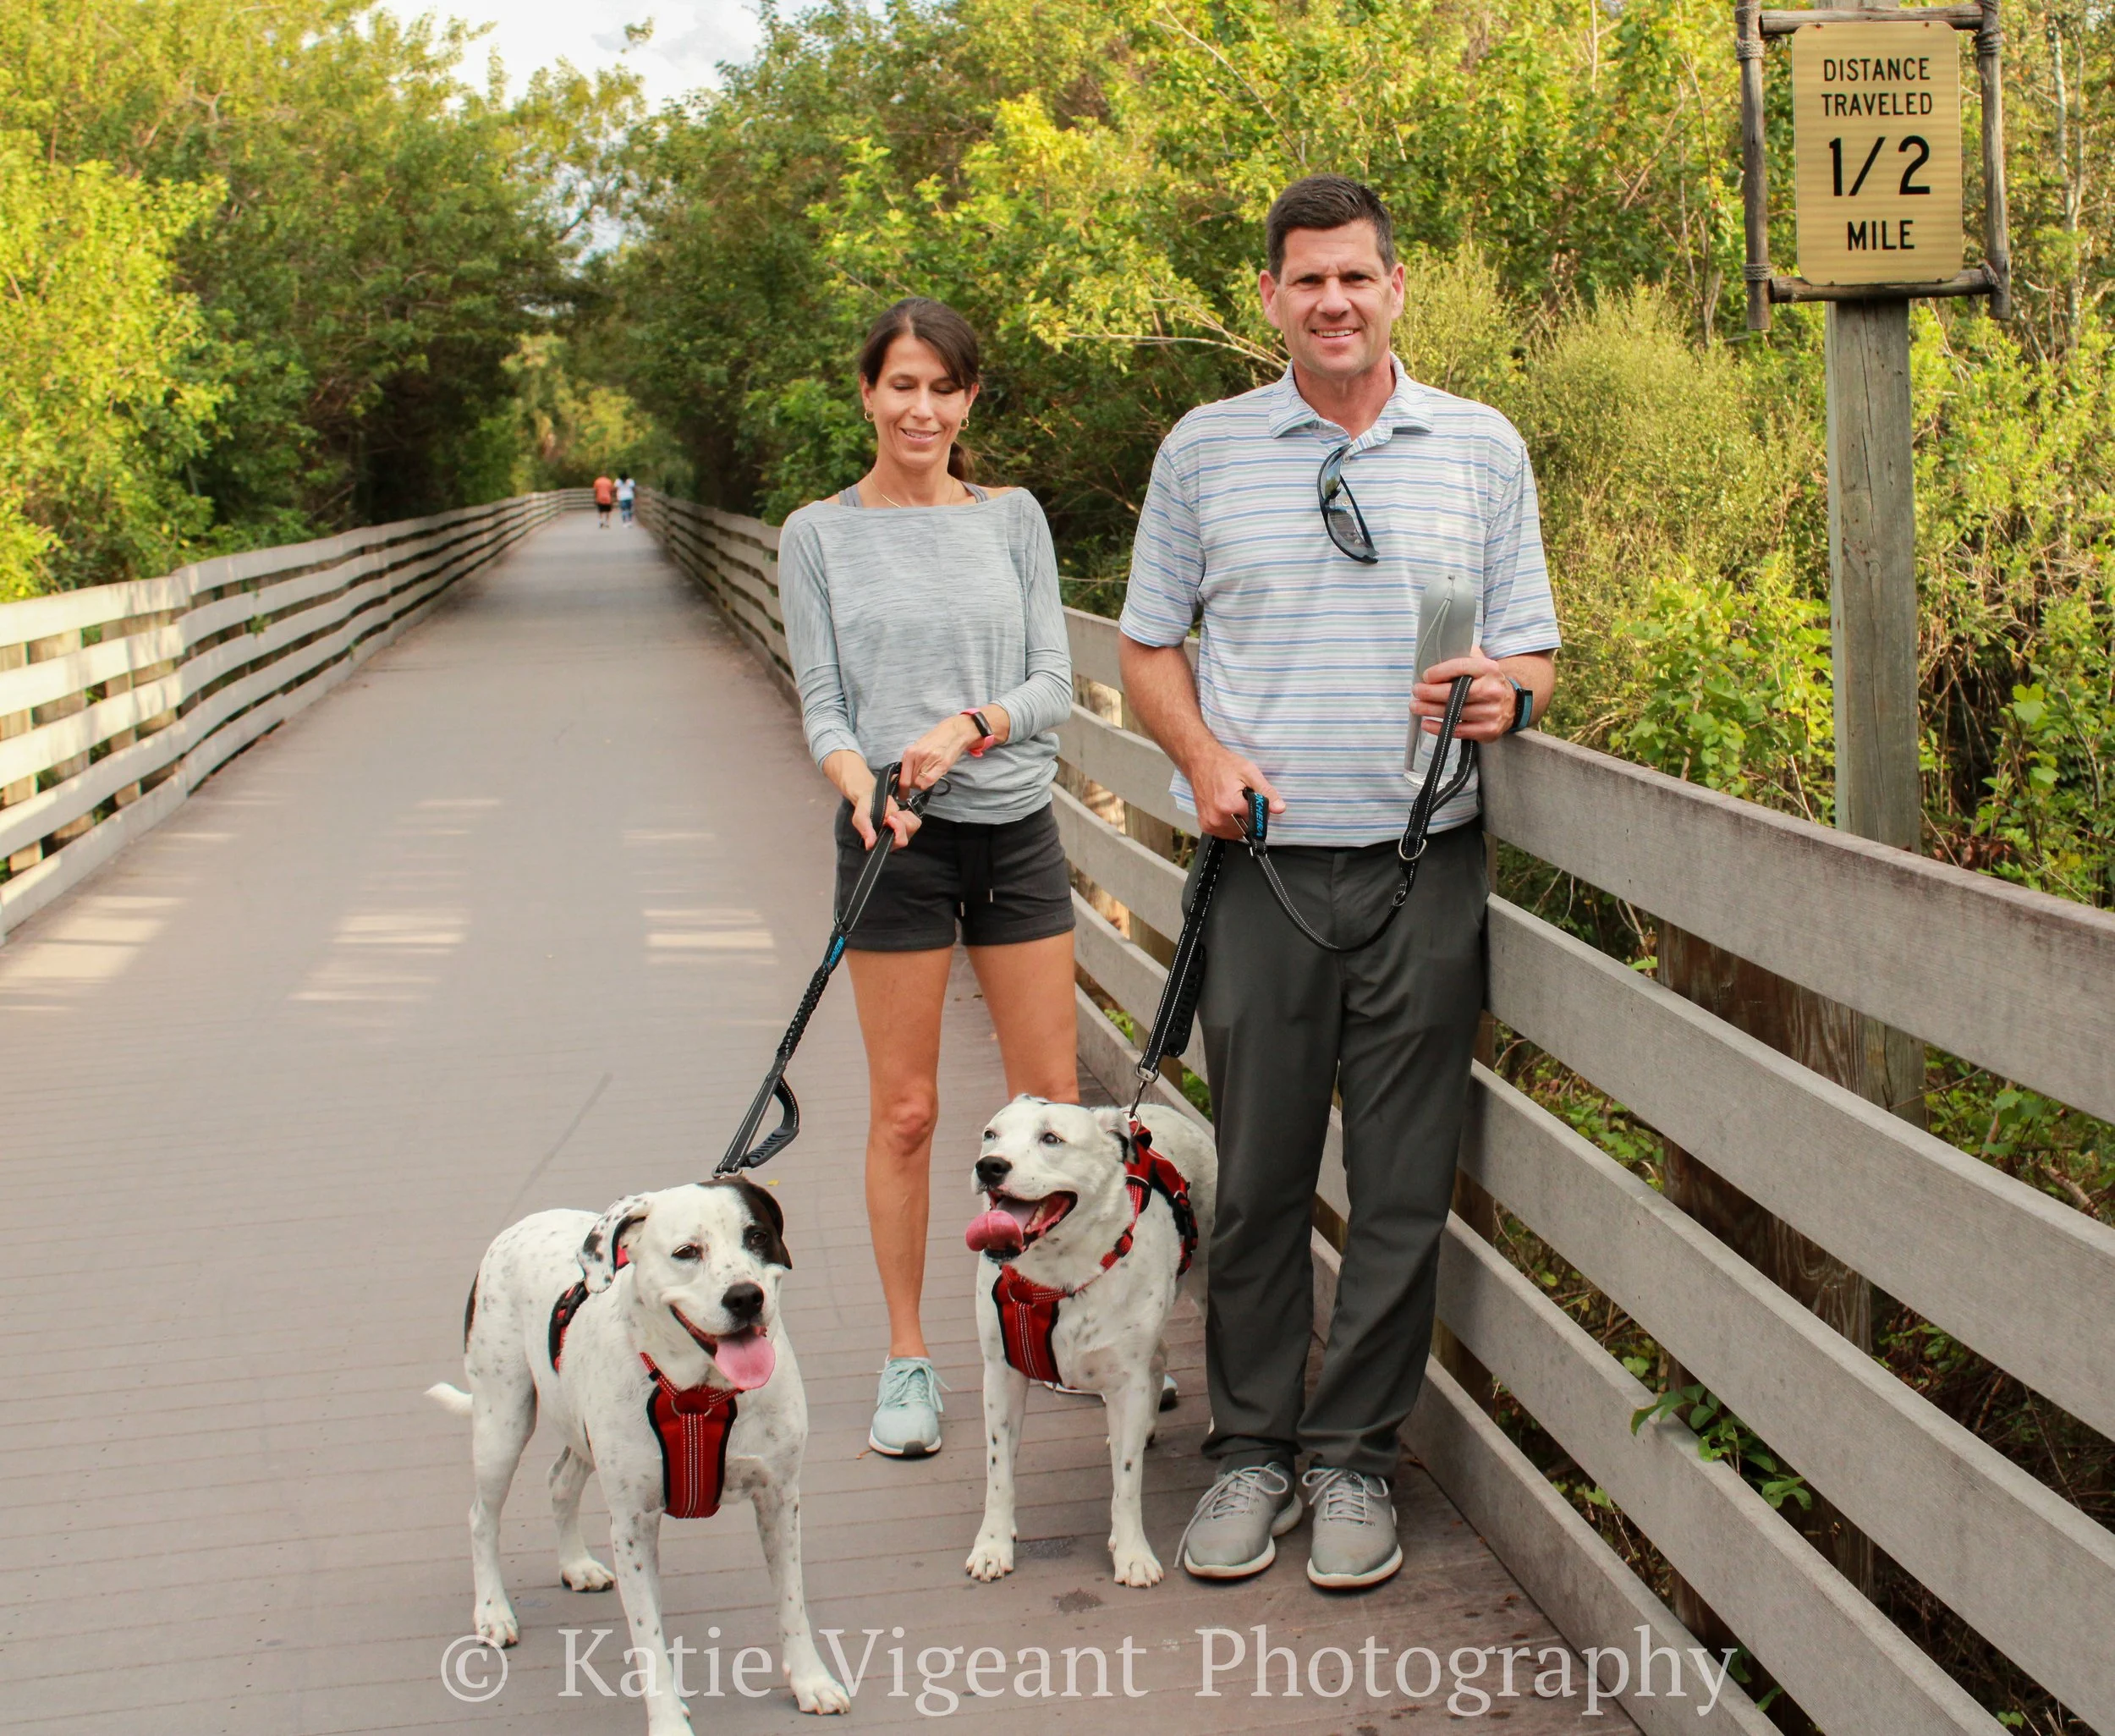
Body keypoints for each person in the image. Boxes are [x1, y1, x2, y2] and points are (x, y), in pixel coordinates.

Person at [1118, 175, 1560, 1589]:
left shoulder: (1480, 447)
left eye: (1356, 277)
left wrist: (1508, 694)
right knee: (1252, 1184)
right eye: (1306, 280)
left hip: (1427, 863)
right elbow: (1144, 648)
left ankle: (1356, 1459)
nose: (1333, 302)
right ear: (1270, 298)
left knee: (1401, 1186)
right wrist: (1200, 756)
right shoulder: (1204, 450)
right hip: (1261, 872)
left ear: (1396, 286)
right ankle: (1251, 1451)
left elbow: (1535, 651)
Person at [778, 296, 1079, 1459]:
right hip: (889, 842)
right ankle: (910, 1362)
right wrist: (854, 779)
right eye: (901, 384)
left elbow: (1052, 679)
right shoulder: (819, 535)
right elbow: (824, 705)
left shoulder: (1012, 519)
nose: (921, 407)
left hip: (1012, 829)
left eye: (942, 388)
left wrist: (967, 727)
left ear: (968, 401)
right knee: (906, 1114)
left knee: (1049, 1115)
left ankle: (1048, 1329)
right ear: (868, 393)